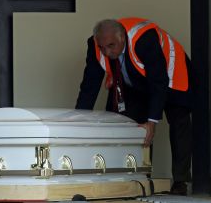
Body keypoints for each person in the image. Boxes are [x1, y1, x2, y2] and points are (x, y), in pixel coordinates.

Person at [76, 17, 192, 195]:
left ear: (122, 37)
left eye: (111, 46)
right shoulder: (95, 45)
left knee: (178, 123)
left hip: (172, 77)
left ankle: (180, 180)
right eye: (102, 47)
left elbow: (158, 82)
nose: (106, 52)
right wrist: (79, 122)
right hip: (136, 81)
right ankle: (140, 177)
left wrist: (152, 121)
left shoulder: (144, 39)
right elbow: (89, 85)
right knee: (128, 124)